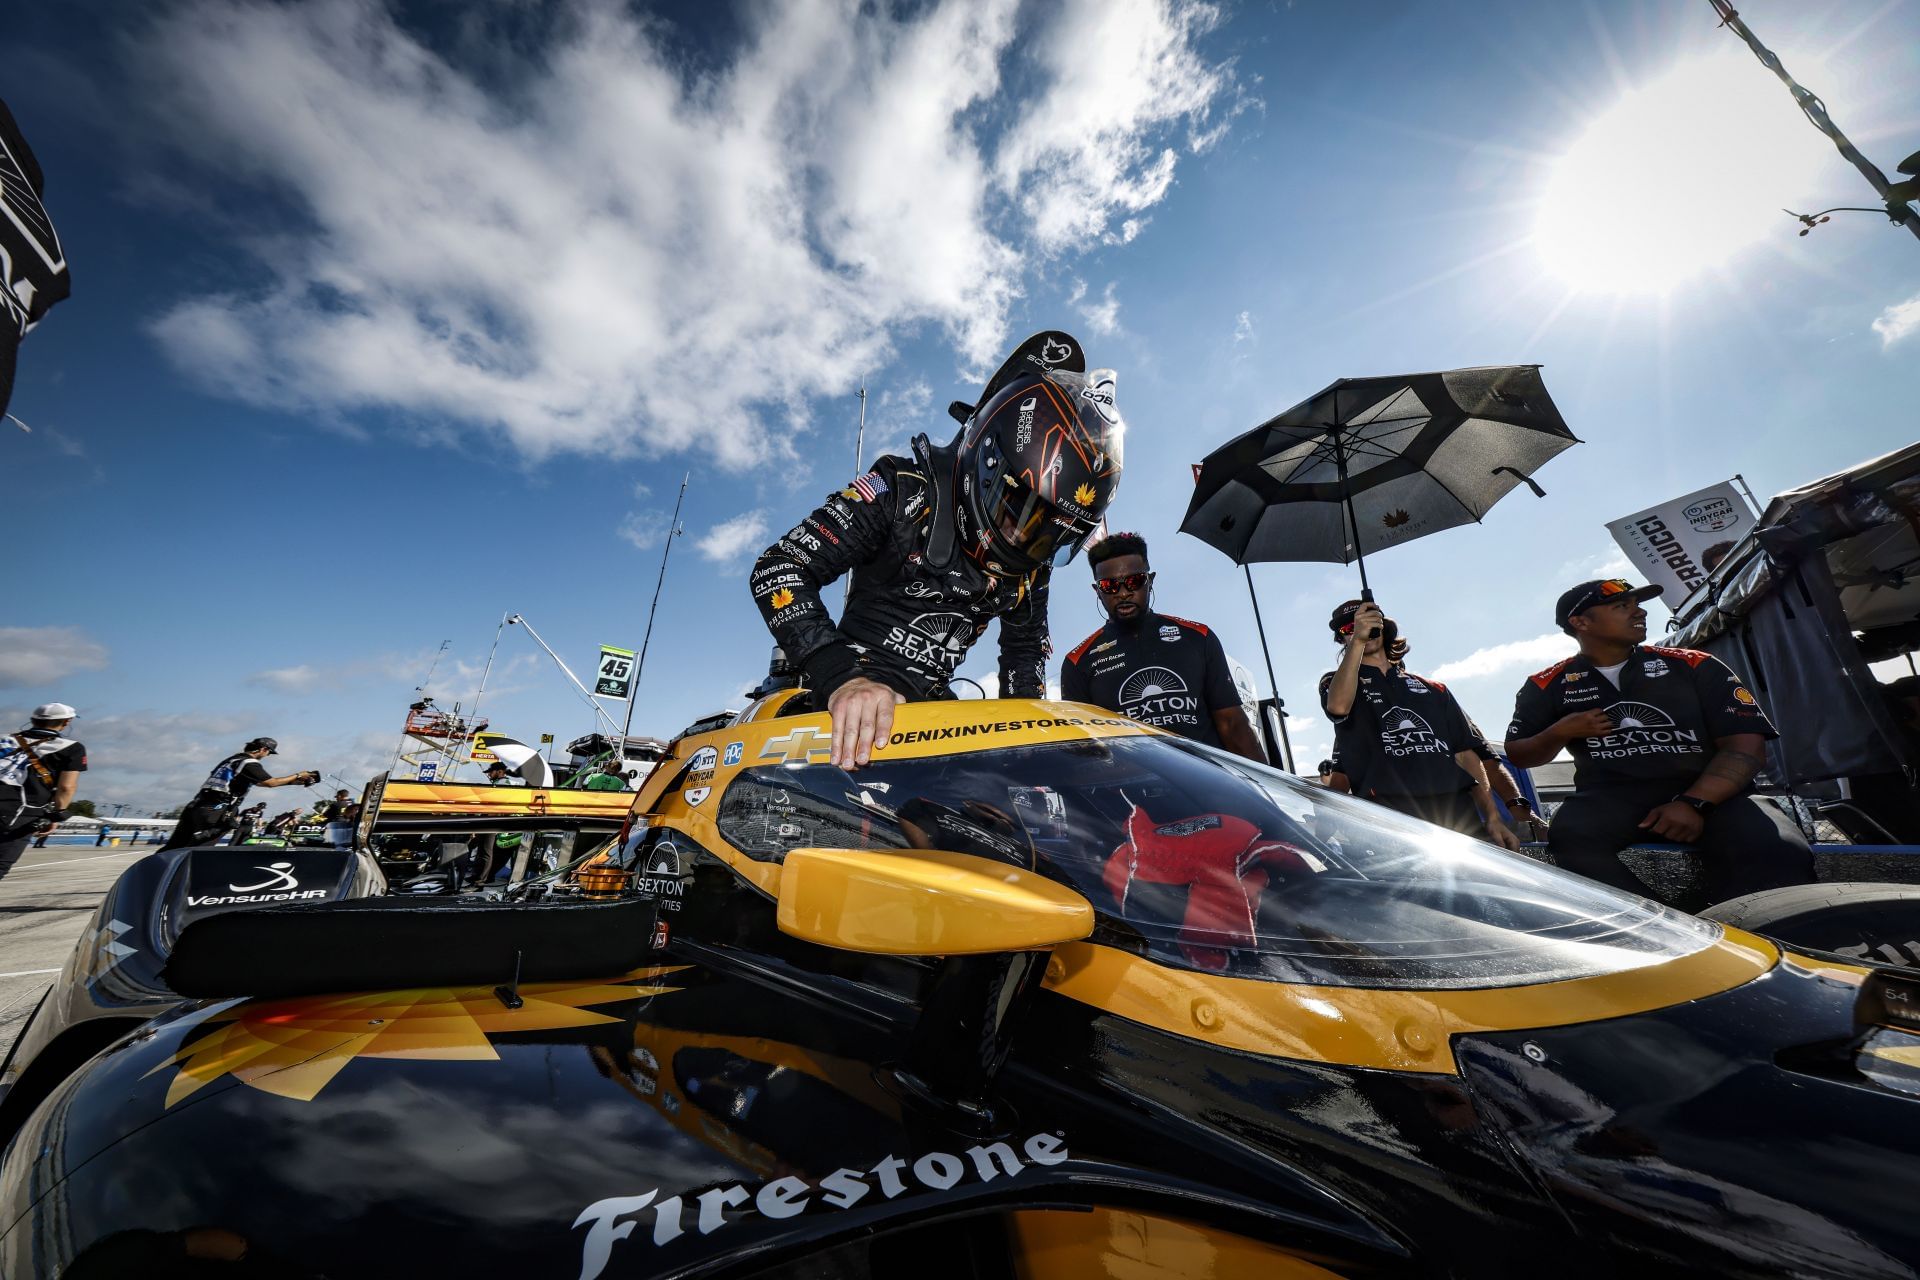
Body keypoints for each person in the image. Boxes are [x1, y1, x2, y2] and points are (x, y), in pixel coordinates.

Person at [753, 334, 1124, 769]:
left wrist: (1027, 754)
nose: (1029, 540)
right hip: (838, 704)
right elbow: (780, 568)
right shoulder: (903, 491)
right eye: (1021, 511)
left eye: (1051, 533)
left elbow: (1023, 656)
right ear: (987, 464)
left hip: (930, 723)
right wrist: (840, 677)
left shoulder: (1034, 566)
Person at [1504, 577, 1814, 901]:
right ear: (1580, 622)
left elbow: (1746, 748)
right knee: (1569, 835)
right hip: (1612, 798)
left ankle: (1764, 933)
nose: (1639, 613)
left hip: (1716, 795)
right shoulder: (1546, 683)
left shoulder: (1694, 664)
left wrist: (1692, 803)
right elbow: (1520, 755)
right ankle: (1662, 927)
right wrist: (1560, 731)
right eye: (1622, 606)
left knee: (1781, 849)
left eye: (1638, 605)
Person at [1319, 602, 1519, 849]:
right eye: (1348, 628)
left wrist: (1493, 817)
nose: (1360, 629)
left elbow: (1466, 754)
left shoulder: (1435, 689)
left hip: (1455, 812)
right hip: (1388, 816)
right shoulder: (1334, 682)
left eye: (1369, 621)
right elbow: (1337, 707)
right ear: (1342, 639)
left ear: (1383, 625)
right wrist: (1358, 641)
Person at [1058, 532, 1265, 761]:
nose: (1124, 592)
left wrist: (1269, 793)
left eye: (1135, 581)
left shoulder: (1198, 637)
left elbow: (1233, 725)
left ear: (1150, 580)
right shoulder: (1077, 662)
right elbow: (1085, 754)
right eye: (1110, 586)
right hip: (1131, 794)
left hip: (1210, 790)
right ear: (1097, 591)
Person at [160, 738, 320, 851]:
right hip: (216, 810)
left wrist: (294, 782)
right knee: (198, 849)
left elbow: (259, 782)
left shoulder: (230, 760)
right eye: (269, 753)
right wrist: (299, 775)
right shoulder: (249, 763)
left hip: (197, 805)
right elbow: (271, 783)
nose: (267, 756)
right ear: (264, 749)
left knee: (174, 846)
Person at [0, 703, 85, 880]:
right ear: (67, 722)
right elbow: (66, 787)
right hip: (18, 814)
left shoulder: (3, 739)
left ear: (32, 720)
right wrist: (56, 815)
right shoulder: (71, 747)